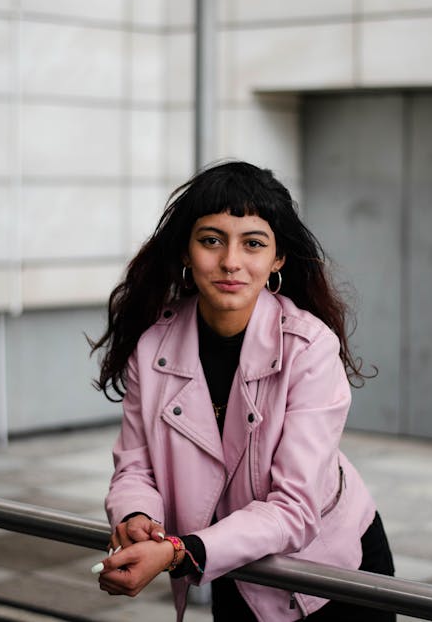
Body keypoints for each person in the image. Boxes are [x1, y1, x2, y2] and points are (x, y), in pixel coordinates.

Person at [90, 160, 395, 621]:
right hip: (227, 562)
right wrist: (137, 520)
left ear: (277, 259)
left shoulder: (310, 348)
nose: (231, 261)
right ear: (187, 254)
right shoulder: (153, 344)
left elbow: (294, 509)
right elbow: (136, 467)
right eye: (211, 240)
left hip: (332, 572)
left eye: (253, 243)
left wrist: (178, 552)